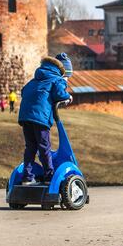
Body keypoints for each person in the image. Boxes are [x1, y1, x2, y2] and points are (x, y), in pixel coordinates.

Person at [17, 53, 73, 185]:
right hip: (40, 118)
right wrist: (68, 96)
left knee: (30, 147)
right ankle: (49, 176)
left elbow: (24, 91)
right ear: (61, 71)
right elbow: (59, 94)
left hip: (26, 117)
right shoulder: (57, 79)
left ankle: (27, 177)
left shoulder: (35, 80)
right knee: (44, 147)